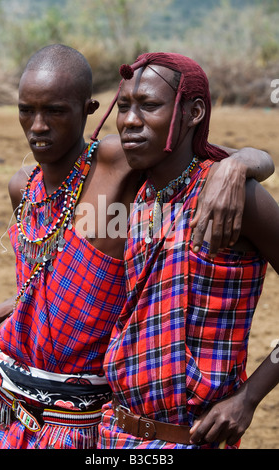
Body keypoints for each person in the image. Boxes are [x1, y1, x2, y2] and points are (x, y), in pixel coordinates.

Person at [0, 45, 274, 450]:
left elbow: (234, 157)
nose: (37, 127)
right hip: (92, 425)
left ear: (87, 110)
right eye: (125, 107)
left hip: (156, 428)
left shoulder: (155, 178)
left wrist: (240, 164)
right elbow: (65, 283)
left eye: (149, 105)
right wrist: (14, 308)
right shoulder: (136, 203)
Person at [93, 52, 279, 449]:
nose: (129, 120)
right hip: (115, 432)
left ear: (194, 112)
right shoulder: (136, 191)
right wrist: (245, 158)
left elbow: (248, 161)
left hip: (190, 438)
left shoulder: (234, 196)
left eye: (149, 105)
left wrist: (250, 397)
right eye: (123, 106)